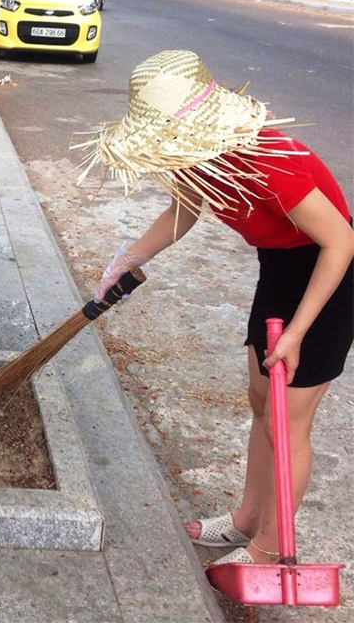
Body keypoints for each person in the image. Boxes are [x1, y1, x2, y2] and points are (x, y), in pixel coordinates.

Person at [78, 50, 353, 568]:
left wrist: (296, 332)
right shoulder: (197, 154)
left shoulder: (273, 158)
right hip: (279, 269)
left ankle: (270, 548)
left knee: (286, 421)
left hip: (327, 277)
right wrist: (127, 258)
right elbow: (184, 208)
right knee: (259, 401)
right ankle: (248, 517)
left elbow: (340, 242)